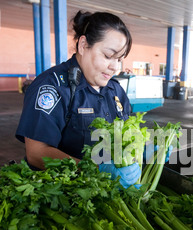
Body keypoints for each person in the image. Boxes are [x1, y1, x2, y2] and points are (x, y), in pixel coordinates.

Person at [15, 10, 141, 189]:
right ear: (83, 45)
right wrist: (94, 170)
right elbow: (36, 153)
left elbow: (126, 138)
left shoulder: (115, 90)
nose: (115, 67)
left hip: (107, 191)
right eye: (107, 56)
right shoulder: (52, 87)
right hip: (63, 192)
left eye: (119, 59)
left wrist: (143, 151)